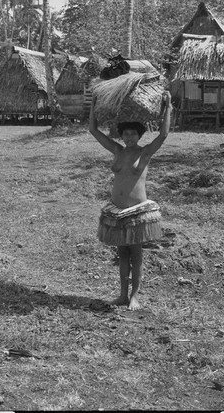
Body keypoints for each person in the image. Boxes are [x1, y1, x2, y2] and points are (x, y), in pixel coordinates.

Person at [89, 91, 172, 310]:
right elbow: (93, 130)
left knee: (136, 255)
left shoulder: (145, 153)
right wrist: (93, 105)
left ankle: (135, 295)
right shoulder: (117, 150)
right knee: (122, 254)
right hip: (117, 211)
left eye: (133, 134)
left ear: (139, 135)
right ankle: (122, 295)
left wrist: (168, 107)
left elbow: (163, 136)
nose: (129, 137)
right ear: (121, 135)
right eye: (125, 134)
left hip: (137, 212)